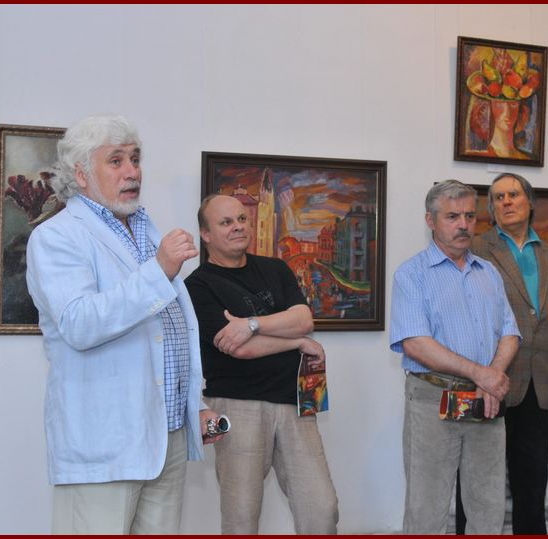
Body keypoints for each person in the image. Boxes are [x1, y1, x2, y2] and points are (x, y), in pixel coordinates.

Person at [25, 113, 224, 534]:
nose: (132, 171)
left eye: (135, 158)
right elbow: (79, 323)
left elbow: (166, 335)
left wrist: (195, 405)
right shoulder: (57, 236)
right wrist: (159, 270)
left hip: (166, 435)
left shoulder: (144, 232)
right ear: (81, 174)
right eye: (116, 161)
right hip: (106, 441)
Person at [184, 194, 338, 534]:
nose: (238, 227)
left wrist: (250, 324)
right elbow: (239, 349)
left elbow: (303, 319)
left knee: (322, 509)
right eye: (226, 222)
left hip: (294, 403)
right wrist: (296, 342)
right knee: (241, 517)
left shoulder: (275, 268)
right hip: (237, 407)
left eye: (242, 219)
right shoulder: (197, 286)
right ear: (206, 234)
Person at [390, 179, 520, 534]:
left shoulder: (488, 272)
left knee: (488, 505)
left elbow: (510, 332)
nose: (463, 225)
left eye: (469, 216)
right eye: (452, 217)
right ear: (430, 221)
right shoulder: (411, 274)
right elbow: (416, 343)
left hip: (485, 399)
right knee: (427, 508)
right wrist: (482, 374)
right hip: (433, 398)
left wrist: (491, 378)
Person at [455, 173, 548, 534]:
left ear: (529, 202)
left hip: (537, 385)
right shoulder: (474, 250)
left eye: (513, 194)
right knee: (475, 486)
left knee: (532, 485)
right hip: (489, 381)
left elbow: (539, 318)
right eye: (498, 197)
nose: (506, 202)